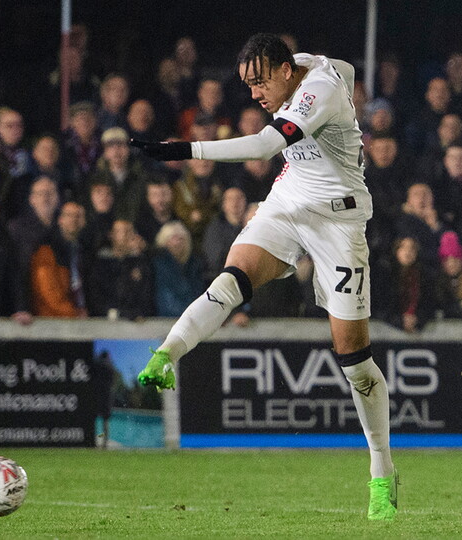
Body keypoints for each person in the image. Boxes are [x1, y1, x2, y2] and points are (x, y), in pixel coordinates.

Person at [130, 33, 397, 520]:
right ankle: (168, 351)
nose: (255, 95)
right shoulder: (310, 67)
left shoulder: (319, 89)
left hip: (339, 220)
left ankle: (382, 469)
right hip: (288, 202)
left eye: (259, 83)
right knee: (231, 280)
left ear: (284, 70)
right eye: (247, 85)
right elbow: (346, 66)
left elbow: (264, 144)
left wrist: (185, 150)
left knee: (355, 361)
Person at [30, 201, 90, 318]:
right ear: (60, 219)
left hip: (79, 319)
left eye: (78, 216)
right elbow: (49, 292)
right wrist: (74, 313)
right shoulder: (46, 251)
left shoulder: (84, 249)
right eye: (69, 215)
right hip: (54, 321)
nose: (73, 220)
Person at [87, 219, 153, 320]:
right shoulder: (101, 263)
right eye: (122, 231)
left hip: (136, 323)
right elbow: (95, 296)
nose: (127, 236)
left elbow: (146, 296)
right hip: (104, 323)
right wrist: (113, 313)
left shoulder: (141, 264)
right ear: (111, 235)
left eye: (130, 231)